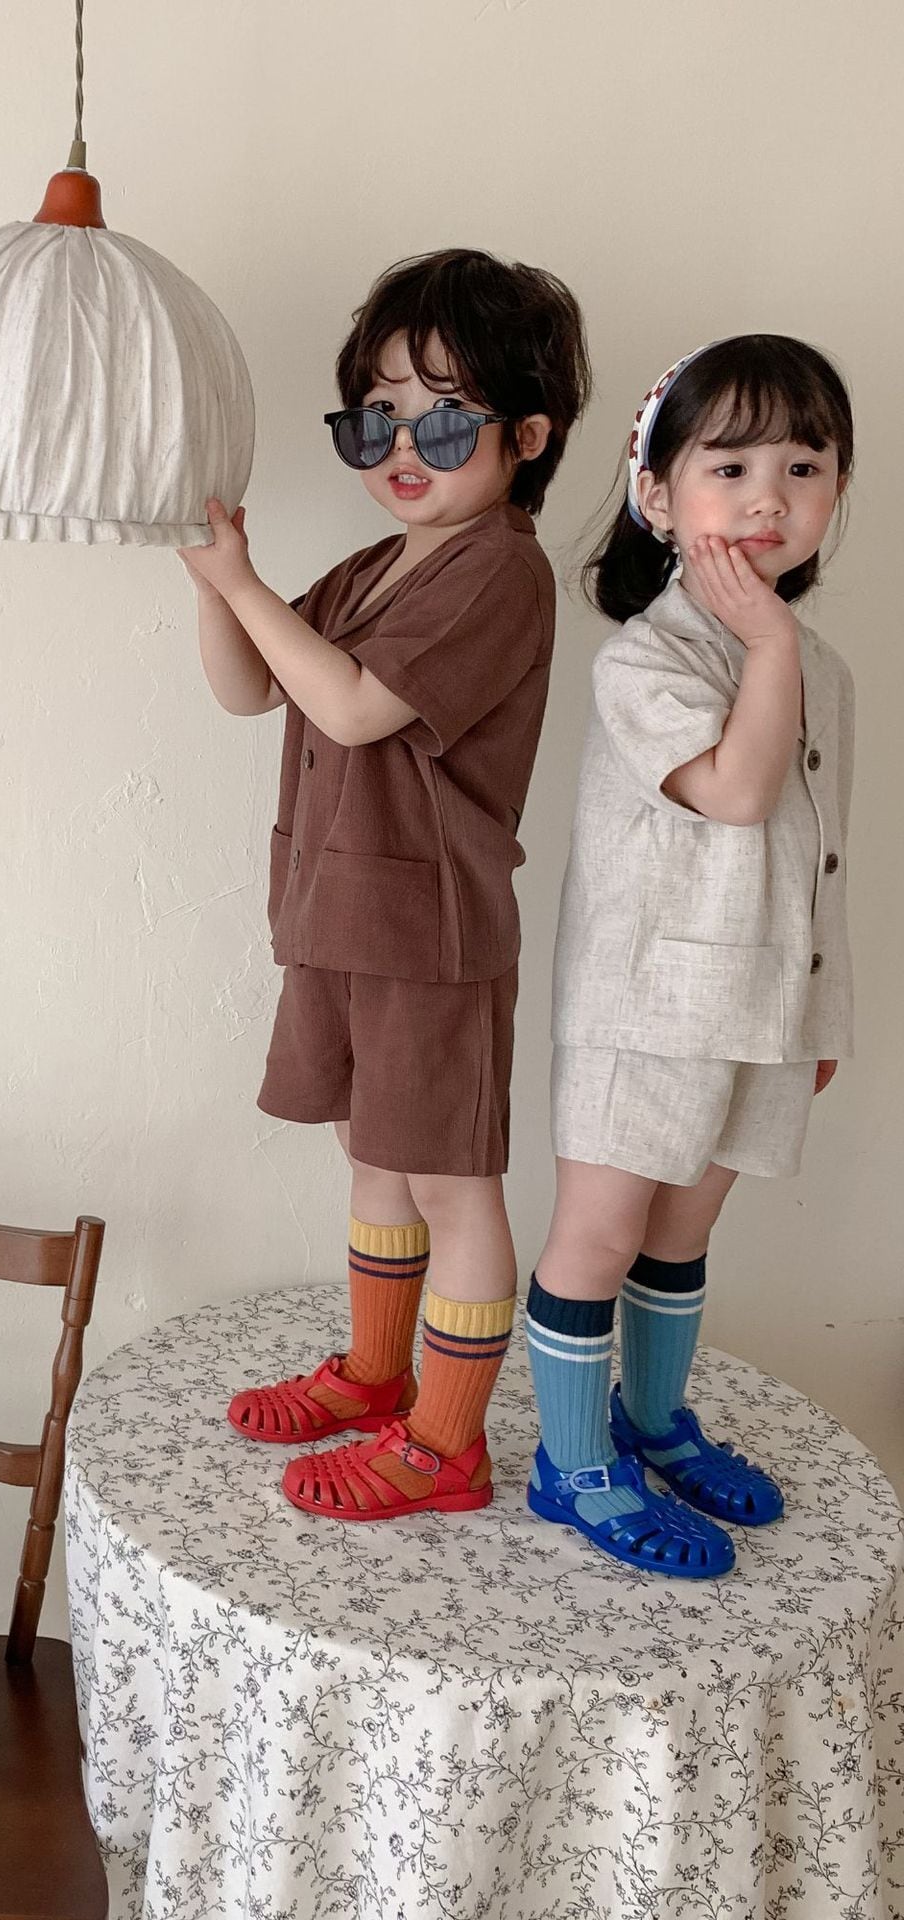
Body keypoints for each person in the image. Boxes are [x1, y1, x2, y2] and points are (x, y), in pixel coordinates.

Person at [181, 249, 590, 1518]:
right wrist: (215, 579)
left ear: (527, 437)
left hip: (428, 928)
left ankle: (447, 1444)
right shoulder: (377, 566)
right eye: (377, 416)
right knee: (372, 1155)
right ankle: (376, 1374)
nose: (404, 445)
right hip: (340, 912)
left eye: (445, 418)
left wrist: (242, 585)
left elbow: (354, 707)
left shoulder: (498, 570)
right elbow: (250, 685)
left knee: (451, 1180)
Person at [524, 335, 855, 1576]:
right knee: (602, 1235)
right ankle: (571, 1464)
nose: (769, 497)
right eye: (731, 467)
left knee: (684, 1232)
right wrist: (765, 648)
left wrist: (824, 1015)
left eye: (803, 466)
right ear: (657, 498)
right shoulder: (647, 657)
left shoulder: (823, 669)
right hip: (647, 1008)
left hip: (763, 1009)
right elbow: (735, 793)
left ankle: (652, 1420)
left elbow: (821, 860)